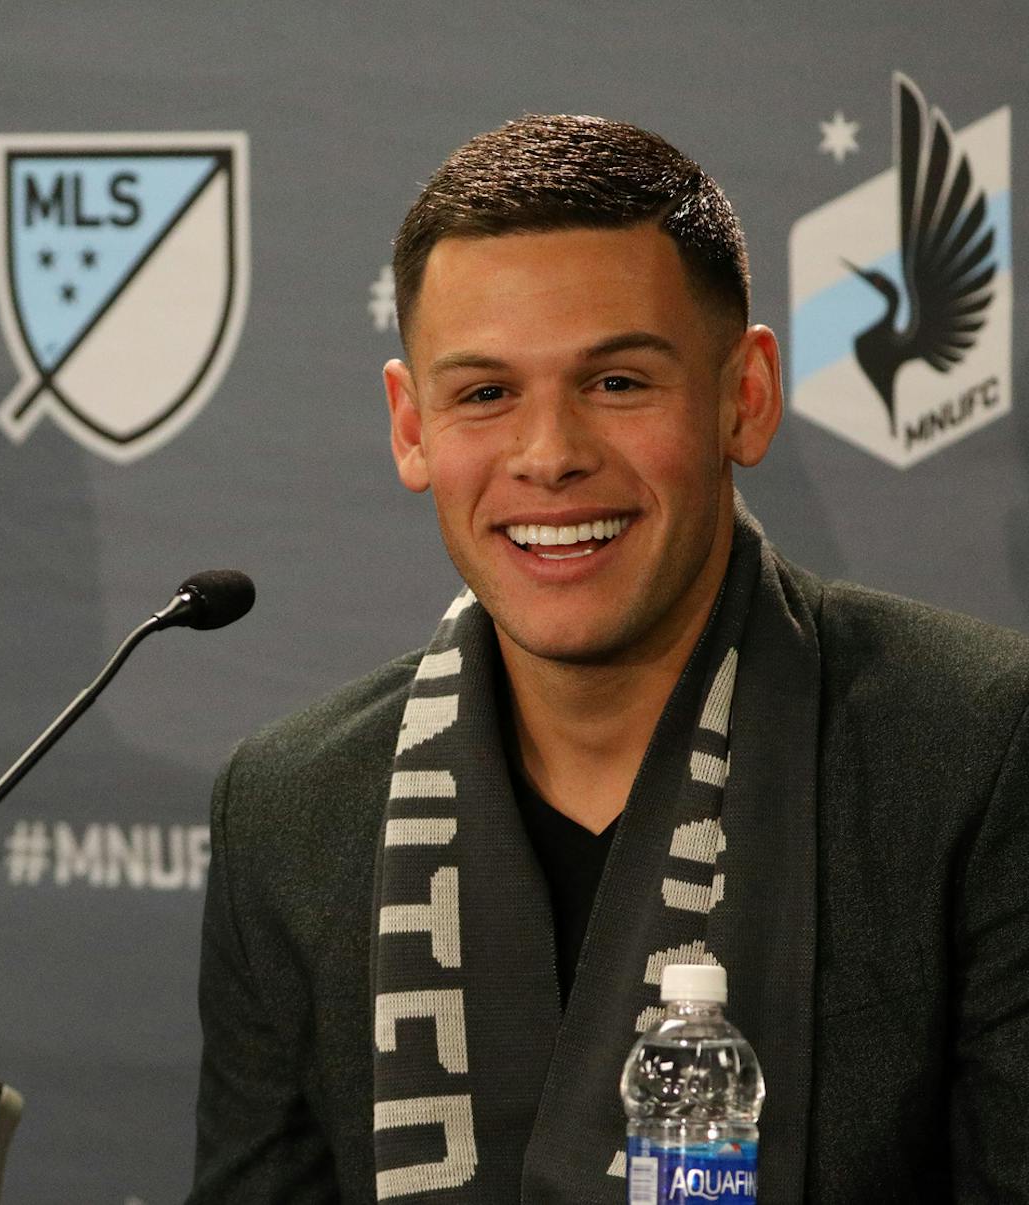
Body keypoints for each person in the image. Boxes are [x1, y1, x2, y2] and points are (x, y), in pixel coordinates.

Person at [189, 115, 1029, 1202]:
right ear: (411, 425)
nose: (550, 456)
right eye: (485, 394)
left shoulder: (973, 748)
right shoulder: (290, 808)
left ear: (747, 395)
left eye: (619, 382)